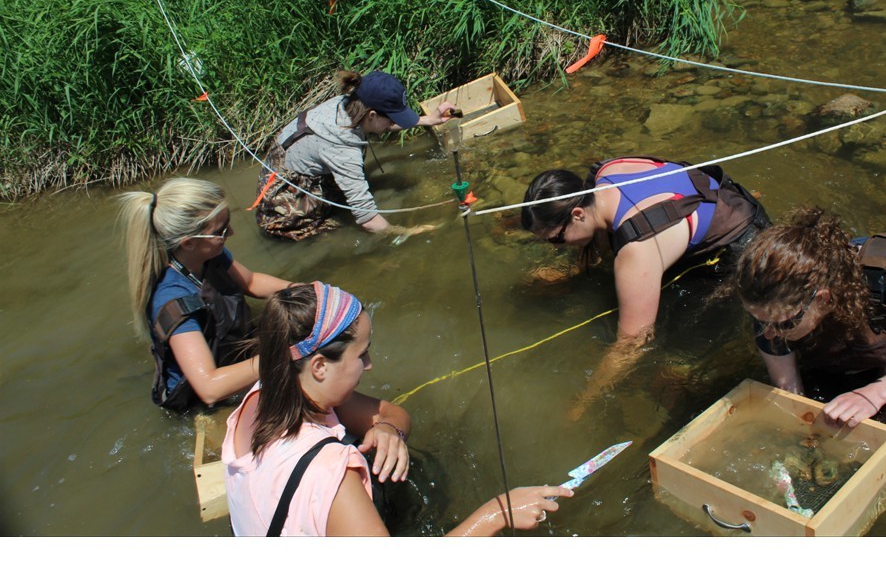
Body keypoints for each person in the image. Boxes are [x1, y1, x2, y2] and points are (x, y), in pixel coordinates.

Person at [222, 282, 571, 536]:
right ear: (319, 367)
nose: (370, 365)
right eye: (361, 355)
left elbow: (393, 413)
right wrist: (496, 513)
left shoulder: (268, 390)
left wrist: (388, 429)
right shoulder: (330, 473)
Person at [521, 156, 770, 416]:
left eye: (556, 240)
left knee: (675, 357)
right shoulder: (607, 172)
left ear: (578, 213)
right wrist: (577, 268)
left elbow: (632, 344)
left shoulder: (636, 253)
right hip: (729, 200)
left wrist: (584, 401)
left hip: (743, 251)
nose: (556, 247)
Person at [724, 206, 886, 428]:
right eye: (759, 320)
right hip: (837, 367)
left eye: (784, 323)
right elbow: (788, 387)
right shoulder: (767, 296)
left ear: (822, 299)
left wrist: (874, 395)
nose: (768, 334)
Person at [118, 178, 293, 411]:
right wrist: (290, 354)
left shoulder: (209, 254)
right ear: (188, 243)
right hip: (205, 402)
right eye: (221, 231)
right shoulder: (172, 301)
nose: (231, 232)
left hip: (237, 359)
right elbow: (210, 388)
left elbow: (251, 282)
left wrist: (307, 290)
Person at [253, 69, 456, 241]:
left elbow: (380, 124)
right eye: (392, 119)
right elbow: (367, 219)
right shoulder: (342, 147)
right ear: (372, 115)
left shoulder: (348, 104)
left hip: (292, 162)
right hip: (283, 202)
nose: (392, 124)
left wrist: (428, 120)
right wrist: (408, 232)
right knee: (334, 230)